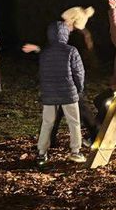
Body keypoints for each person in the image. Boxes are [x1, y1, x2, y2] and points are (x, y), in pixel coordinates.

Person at [22, 6, 98, 143]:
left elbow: (71, 57)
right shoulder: (67, 34)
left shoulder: (77, 36)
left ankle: (95, 134)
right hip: (64, 80)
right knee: (60, 111)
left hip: (70, 80)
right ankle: (50, 140)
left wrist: (78, 84)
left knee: (80, 109)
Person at [36, 20, 88, 165]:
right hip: (68, 93)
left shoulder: (45, 52)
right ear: (65, 33)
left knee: (47, 123)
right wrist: (79, 88)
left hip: (49, 93)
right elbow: (79, 72)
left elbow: (41, 73)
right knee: (74, 123)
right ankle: (75, 151)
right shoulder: (71, 51)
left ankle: (41, 152)